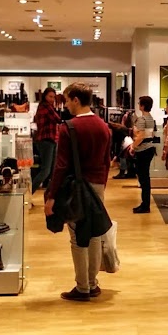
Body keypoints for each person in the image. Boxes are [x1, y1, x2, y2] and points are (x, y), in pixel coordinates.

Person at [45, 82, 112, 301]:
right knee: (94, 233)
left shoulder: (69, 128)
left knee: (77, 236)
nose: (65, 105)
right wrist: (102, 184)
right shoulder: (103, 126)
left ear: (76, 99)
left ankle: (82, 287)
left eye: (66, 100)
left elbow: (61, 166)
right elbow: (106, 161)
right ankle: (92, 283)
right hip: (97, 185)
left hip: (76, 187)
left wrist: (51, 195)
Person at [131, 96, 160, 214]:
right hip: (149, 149)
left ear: (142, 106)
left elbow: (141, 136)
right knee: (145, 177)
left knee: (143, 178)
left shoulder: (142, 119)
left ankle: (145, 205)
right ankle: (145, 203)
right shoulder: (151, 119)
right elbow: (152, 134)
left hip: (142, 150)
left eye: (139, 103)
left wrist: (132, 146)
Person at [32, 87, 63, 194]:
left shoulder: (42, 107)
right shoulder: (46, 107)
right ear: (45, 96)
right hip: (47, 140)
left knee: (51, 170)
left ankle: (50, 194)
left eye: (53, 97)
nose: (52, 99)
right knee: (46, 171)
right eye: (50, 96)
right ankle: (29, 193)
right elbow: (58, 119)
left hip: (48, 140)